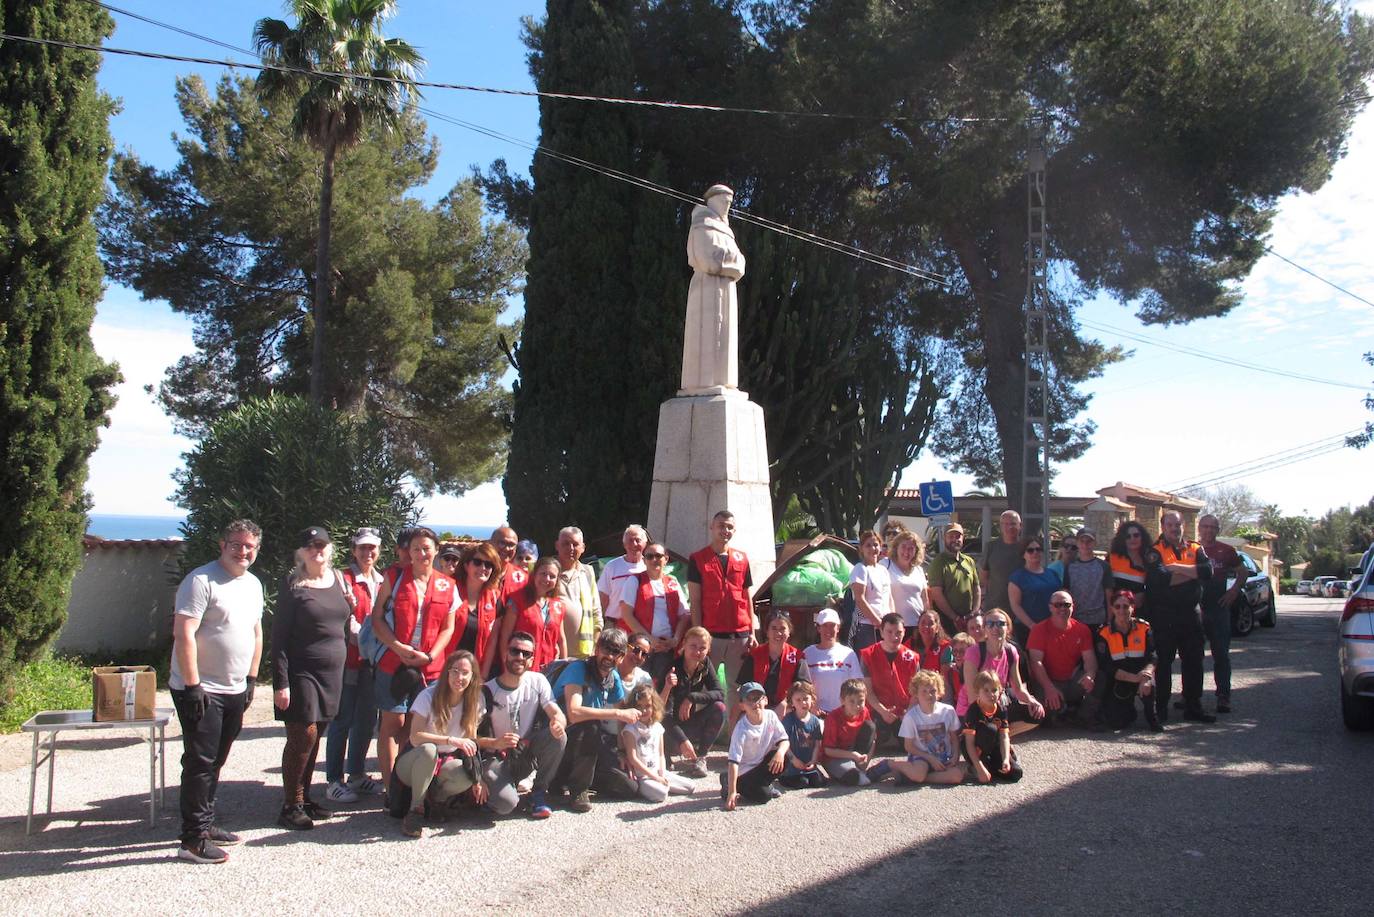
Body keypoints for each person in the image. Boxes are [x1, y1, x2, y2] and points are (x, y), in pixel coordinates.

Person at [169, 519, 265, 864]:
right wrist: (193, 685)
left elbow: (256, 633)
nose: (243, 551)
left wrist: (251, 679)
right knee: (200, 761)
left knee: (217, 759)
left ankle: (206, 824)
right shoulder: (200, 580)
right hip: (200, 688)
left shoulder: (253, 584)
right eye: (236, 544)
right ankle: (192, 840)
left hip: (234, 687)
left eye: (249, 546)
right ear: (222, 545)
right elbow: (184, 633)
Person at [272, 526, 352, 830]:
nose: (316, 550)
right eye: (310, 546)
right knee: (301, 737)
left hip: (332, 673)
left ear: (329, 549)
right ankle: (290, 805)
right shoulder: (293, 584)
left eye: (321, 545)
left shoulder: (338, 579)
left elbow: (344, 621)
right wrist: (281, 682)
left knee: (317, 734)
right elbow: (278, 638)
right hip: (301, 671)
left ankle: (304, 799)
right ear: (301, 552)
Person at [369, 527, 458, 792]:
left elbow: (448, 628)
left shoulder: (448, 585)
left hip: (429, 669)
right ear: (409, 552)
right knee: (392, 725)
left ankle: (410, 784)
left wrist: (430, 655)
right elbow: (376, 619)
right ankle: (390, 788)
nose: (421, 553)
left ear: (436, 550)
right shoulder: (394, 577)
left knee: (416, 727)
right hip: (393, 663)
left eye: (426, 548)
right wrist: (397, 647)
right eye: (416, 548)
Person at [392, 650, 487, 838]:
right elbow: (415, 737)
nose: (459, 677)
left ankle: (437, 801)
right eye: (454, 671)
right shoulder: (428, 696)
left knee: (465, 776)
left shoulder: (476, 700)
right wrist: (449, 740)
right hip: (415, 760)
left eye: (465, 672)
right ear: (447, 673)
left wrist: (478, 778)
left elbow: (471, 742)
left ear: (473, 676)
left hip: (445, 761)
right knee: (429, 750)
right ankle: (415, 809)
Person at [324, 526, 386, 805]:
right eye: (362, 547)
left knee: (366, 720)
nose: (367, 552)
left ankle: (357, 774)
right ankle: (333, 779)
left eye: (372, 547)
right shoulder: (342, 579)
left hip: (373, 663)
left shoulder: (383, 581)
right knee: (342, 719)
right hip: (349, 660)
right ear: (353, 550)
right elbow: (344, 620)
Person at [550, 628, 640, 812]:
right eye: (606, 649)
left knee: (629, 788)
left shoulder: (613, 677)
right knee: (591, 726)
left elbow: (621, 714)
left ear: (622, 657)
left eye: (616, 652)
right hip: (559, 737)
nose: (609, 656)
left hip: (588, 742)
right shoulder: (578, 669)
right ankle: (578, 789)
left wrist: (623, 751)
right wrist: (617, 715)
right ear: (597, 649)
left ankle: (575, 778)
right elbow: (574, 713)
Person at [480, 631, 567, 819]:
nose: (519, 657)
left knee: (558, 735)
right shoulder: (487, 690)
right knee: (506, 805)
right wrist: (496, 743)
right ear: (505, 654)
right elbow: (469, 737)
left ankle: (538, 794)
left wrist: (558, 723)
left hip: (523, 754)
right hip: (495, 758)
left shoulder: (538, 681)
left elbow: (556, 712)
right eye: (515, 651)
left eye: (526, 654)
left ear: (531, 659)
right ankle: (490, 794)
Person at [1146, 511, 1215, 723]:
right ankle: (1162, 709)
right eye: (1169, 525)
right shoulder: (1154, 551)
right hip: (1165, 616)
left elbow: (1207, 571)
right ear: (1162, 527)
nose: (1174, 529)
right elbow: (1158, 580)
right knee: (1164, 663)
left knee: (1194, 662)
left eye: (1177, 525)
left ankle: (1193, 706)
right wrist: (1191, 573)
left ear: (1183, 525)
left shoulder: (1195, 548)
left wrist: (1176, 568)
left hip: (1191, 615)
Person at [688, 510, 759, 713]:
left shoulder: (742, 559)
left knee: (736, 688)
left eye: (729, 527)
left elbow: (747, 597)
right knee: (702, 684)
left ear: (734, 530)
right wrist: (698, 635)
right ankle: (701, 732)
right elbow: (695, 600)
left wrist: (752, 631)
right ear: (712, 527)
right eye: (721, 525)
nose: (725, 530)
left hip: (740, 634)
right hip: (711, 635)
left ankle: (734, 735)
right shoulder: (698, 559)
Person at [682, 183, 746, 393]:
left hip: (726, 290)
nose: (727, 206)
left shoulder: (727, 232)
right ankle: (704, 383)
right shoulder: (701, 224)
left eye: (730, 203)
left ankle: (723, 381)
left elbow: (742, 264)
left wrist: (729, 261)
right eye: (724, 201)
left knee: (724, 338)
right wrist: (731, 261)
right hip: (706, 291)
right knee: (707, 336)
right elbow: (708, 260)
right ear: (713, 200)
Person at [956, 609, 1044, 733]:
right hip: (971, 709)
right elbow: (973, 698)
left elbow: (1018, 689)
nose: (995, 628)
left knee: (1035, 714)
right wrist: (993, 715)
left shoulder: (1011, 651)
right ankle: (996, 737)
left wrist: (1032, 701)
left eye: (1000, 624)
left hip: (996, 705)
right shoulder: (974, 653)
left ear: (1008, 628)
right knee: (989, 729)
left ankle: (1000, 737)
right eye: (990, 624)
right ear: (985, 629)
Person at [613, 542, 689, 682]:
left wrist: (675, 640)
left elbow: (684, 615)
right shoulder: (634, 580)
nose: (654, 559)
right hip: (639, 650)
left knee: (661, 691)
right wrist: (649, 640)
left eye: (658, 556)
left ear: (666, 559)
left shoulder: (673, 582)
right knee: (636, 687)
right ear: (644, 560)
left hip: (665, 649)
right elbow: (626, 614)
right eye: (649, 556)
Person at [1026, 590, 1100, 727]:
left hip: (1072, 681)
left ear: (1073, 606)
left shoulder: (1082, 629)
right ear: (1050, 607)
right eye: (1057, 605)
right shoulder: (1039, 630)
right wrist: (1049, 688)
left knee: (1099, 677)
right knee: (1045, 719)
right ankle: (1063, 712)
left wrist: (1090, 674)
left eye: (1066, 605)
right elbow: (1035, 662)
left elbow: (1090, 659)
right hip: (1047, 682)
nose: (1062, 609)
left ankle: (1084, 716)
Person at [662, 627, 727, 778]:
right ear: (684, 644)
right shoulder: (672, 668)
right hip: (667, 731)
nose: (697, 651)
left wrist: (692, 697)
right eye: (693, 646)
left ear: (708, 650)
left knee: (719, 708)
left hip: (687, 723)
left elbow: (720, 693)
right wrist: (682, 740)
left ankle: (701, 758)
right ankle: (665, 753)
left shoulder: (705, 665)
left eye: (702, 648)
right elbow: (664, 713)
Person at [1197, 514, 1244, 713]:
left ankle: (1223, 696)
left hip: (1218, 609)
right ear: (1199, 528)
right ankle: (1191, 696)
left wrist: (1233, 592)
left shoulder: (1226, 550)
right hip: (1196, 609)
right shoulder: (1192, 549)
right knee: (1193, 655)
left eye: (1212, 527)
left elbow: (1243, 571)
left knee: (1221, 655)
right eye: (1205, 526)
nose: (1208, 530)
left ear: (1217, 529)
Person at [1094, 590, 1161, 731]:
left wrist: (1146, 676)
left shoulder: (1144, 627)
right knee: (1116, 723)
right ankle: (1127, 711)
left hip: (1141, 675)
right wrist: (1133, 678)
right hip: (1119, 678)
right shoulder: (1103, 632)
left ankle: (1152, 717)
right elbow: (1105, 665)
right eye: (1117, 606)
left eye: (1126, 606)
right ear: (1112, 609)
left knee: (1150, 683)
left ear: (1133, 607)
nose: (1122, 610)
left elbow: (1153, 656)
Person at [620, 684, 697, 803]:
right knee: (661, 795)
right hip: (643, 777)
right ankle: (650, 789)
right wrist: (654, 777)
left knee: (691, 786)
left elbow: (661, 754)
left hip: (658, 772)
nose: (644, 710)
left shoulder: (657, 727)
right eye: (639, 707)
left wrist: (661, 773)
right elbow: (633, 759)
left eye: (648, 706)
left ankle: (662, 785)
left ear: (654, 706)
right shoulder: (630, 729)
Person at [735, 609, 811, 725]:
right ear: (767, 631)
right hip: (756, 705)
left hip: (787, 707)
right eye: (774, 628)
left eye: (782, 629)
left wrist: (786, 702)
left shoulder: (797, 657)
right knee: (736, 714)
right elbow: (743, 686)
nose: (778, 633)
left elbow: (804, 688)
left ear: (789, 631)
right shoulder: (755, 655)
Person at [721, 682, 789, 810]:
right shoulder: (741, 729)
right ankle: (729, 782)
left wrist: (780, 753)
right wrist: (732, 792)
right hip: (744, 772)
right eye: (749, 699)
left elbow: (784, 740)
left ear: (765, 700)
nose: (755, 703)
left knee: (785, 758)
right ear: (742, 705)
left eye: (758, 698)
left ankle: (765, 784)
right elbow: (733, 762)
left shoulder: (771, 716)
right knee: (763, 797)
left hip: (760, 765)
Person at [891, 670, 966, 786]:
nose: (929, 695)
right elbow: (908, 746)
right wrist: (930, 758)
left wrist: (956, 755)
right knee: (919, 773)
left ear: (939, 692)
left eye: (933, 691)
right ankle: (891, 764)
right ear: (916, 693)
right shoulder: (911, 716)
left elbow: (954, 738)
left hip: (943, 757)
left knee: (957, 776)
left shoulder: (948, 711)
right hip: (921, 757)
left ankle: (917, 779)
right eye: (924, 691)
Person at [858, 613, 921, 749]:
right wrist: (883, 712)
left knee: (909, 746)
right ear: (881, 632)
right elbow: (867, 691)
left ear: (904, 632)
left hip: (905, 711)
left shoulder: (913, 657)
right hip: (877, 709)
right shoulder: (868, 655)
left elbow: (917, 692)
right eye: (889, 632)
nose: (894, 637)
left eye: (898, 632)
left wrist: (907, 713)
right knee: (870, 736)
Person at [497, 556, 568, 672]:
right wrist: (507, 668)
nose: (547, 579)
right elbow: (505, 636)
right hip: (520, 668)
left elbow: (561, 640)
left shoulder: (558, 606)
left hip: (548, 670)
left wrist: (564, 669)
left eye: (552, 576)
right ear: (534, 574)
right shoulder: (517, 600)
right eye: (543, 573)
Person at [822, 679, 890, 786]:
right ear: (842, 700)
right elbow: (828, 751)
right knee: (853, 778)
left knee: (870, 726)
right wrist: (852, 755)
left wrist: (865, 759)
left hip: (854, 753)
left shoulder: (864, 711)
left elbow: (873, 738)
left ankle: (861, 769)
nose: (857, 706)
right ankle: (860, 772)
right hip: (835, 756)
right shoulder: (833, 718)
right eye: (852, 701)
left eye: (860, 701)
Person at [451, 541, 502, 680]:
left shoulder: (495, 598)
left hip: (473, 672)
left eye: (488, 564)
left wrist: (483, 675)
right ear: (467, 565)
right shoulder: (450, 590)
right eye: (477, 562)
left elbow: (492, 641)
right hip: (445, 669)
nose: (483, 567)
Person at [962, 670, 1023, 784]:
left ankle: (992, 767)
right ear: (977, 692)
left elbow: (1004, 736)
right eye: (986, 690)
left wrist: (1005, 759)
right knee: (990, 729)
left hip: (993, 746)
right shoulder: (973, 710)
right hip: (975, 748)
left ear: (1000, 690)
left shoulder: (1001, 708)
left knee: (1016, 773)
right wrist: (980, 768)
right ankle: (977, 766)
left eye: (994, 690)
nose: (991, 694)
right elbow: (969, 743)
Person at [554, 526, 602, 659]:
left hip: (582, 653)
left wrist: (595, 645)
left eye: (575, 544)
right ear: (557, 545)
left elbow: (596, 611)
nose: (570, 548)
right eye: (565, 544)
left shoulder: (588, 572)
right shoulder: (548, 572)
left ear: (583, 547)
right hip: (552, 649)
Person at [803, 608, 863, 714]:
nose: (829, 630)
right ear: (818, 628)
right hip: (816, 714)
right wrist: (812, 707)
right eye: (825, 625)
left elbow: (857, 686)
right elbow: (802, 685)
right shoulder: (807, 653)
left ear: (838, 628)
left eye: (832, 626)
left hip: (843, 715)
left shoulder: (848, 654)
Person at [1007, 535, 1061, 647]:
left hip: (1053, 626)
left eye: (1038, 549)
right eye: (1030, 550)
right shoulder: (1017, 577)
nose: (1035, 552)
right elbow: (1015, 605)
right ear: (1023, 555)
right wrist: (1032, 626)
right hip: (1028, 628)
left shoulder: (1052, 574)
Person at [928, 524, 981, 634]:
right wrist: (955, 618)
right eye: (951, 536)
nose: (955, 540)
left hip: (969, 619)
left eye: (958, 536)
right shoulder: (939, 562)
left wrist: (974, 613)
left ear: (963, 538)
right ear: (944, 538)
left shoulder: (969, 561)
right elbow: (937, 594)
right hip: (948, 621)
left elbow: (976, 588)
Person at [848, 529, 894, 651]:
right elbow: (860, 599)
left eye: (875, 545)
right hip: (866, 626)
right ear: (861, 549)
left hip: (885, 626)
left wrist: (893, 620)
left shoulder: (883, 570)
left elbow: (889, 597)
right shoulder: (860, 569)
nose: (872, 548)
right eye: (868, 545)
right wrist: (877, 622)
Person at [779, 680, 828, 789]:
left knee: (819, 782)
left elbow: (817, 743)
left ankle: (810, 772)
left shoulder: (815, 721)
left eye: (806, 699)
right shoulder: (788, 720)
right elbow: (782, 743)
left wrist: (814, 760)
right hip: (793, 764)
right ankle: (783, 777)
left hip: (808, 762)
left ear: (812, 699)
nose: (803, 703)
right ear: (792, 702)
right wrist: (793, 760)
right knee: (802, 782)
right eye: (798, 700)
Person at [598, 524, 648, 627]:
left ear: (645, 543)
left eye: (638, 540)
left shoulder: (649, 567)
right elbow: (603, 598)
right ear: (624, 544)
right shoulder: (612, 566)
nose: (634, 544)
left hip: (641, 627)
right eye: (630, 541)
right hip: (614, 624)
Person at [882, 530, 930, 636]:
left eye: (911, 548)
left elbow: (925, 599)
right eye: (903, 547)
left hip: (917, 626)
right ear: (896, 547)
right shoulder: (885, 565)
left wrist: (926, 621)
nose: (906, 552)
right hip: (895, 627)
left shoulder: (918, 570)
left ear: (916, 551)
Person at [1064, 527, 1113, 630]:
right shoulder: (1070, 567)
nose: (1085, 544)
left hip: (1098, 620)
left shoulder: (1104, 566)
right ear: (1077, 543)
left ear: (1094, 543)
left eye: (1089, 541)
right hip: (1076, 620)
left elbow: (1109, 597)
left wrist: (1109, 621)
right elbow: (1066, 593)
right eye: (1082, 541)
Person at [981, 510, 1024, 615]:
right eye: (1006, 524)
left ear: (1020, 525)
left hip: (1021, 609)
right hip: (995, 608)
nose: (1010, 527)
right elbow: (984, 576)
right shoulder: (991, 546)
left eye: (1013, 524)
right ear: (1000, 526)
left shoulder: (1026, 547)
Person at [1108, 520, 1156, 610]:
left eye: (1136, 535)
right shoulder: (1112, 558)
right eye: (1128, 536)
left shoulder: (1150, 560)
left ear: (1142, 537)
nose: (1132, 539)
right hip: (1118, 611)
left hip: (1142, 610)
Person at [910, 610, 954, 687]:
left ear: (937, 628)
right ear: (918, 625)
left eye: (931, 623)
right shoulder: (910, 644)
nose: (926, 626)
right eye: (923, 623)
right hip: (914, 689)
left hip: (937, 688)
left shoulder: (945, 647)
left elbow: (944, 680)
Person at [490, 526, 528, 604]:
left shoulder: (523, 579)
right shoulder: (479, 572)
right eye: (502, 543)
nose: (507, 549)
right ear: (490, 544)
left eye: (511, 545)